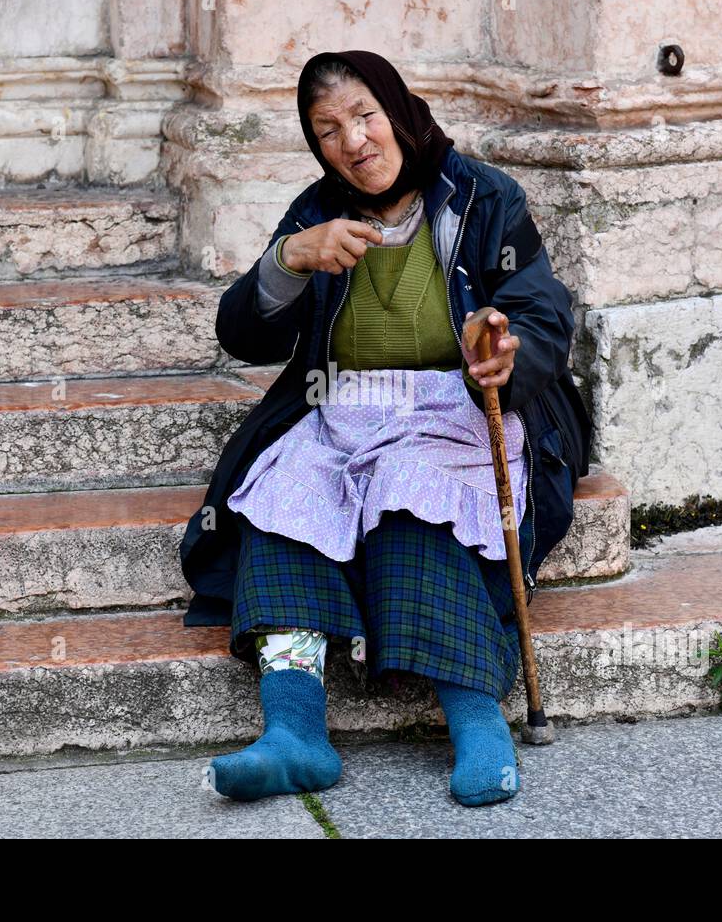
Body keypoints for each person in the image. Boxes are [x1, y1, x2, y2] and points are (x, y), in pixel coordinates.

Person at [179, 49, 593, 807]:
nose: (354, 141)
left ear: (398, 111)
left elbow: (541, 311)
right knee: (284, 500)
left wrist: (507, 349)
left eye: (366, 116)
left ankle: (477, 724)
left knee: (411, 505)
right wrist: (288, 260)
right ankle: (294, 734)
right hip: (340, 409)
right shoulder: (316, 212)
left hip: (458, 408)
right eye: (329, 128)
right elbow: (243, 333)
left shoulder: (481, 197)